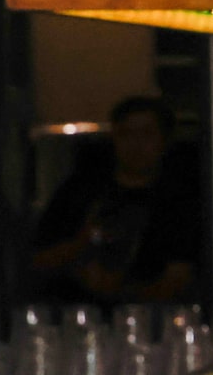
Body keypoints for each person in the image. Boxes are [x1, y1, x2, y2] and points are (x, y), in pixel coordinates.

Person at [29, 96, 200, 305]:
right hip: (72, 313)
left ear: (164, 140)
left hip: (148, 320)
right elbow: (35, 260)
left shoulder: (179, 202)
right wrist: (80, 246)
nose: (135, 144)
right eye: (126, 134)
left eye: (146, 134)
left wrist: (119, 292)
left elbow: (178, 279)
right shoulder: (80, 190)